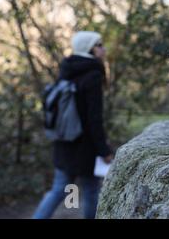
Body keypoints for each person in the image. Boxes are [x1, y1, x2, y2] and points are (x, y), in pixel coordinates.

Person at [33, 31, 113, 219]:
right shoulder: (92, 74)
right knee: (91, 191)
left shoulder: (67, 69)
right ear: (90, 48)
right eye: (99, 44)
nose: (103, 48)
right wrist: (104, 150)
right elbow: (94, 119)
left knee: (58, 190)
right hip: (85, 147)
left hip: (64, 142)